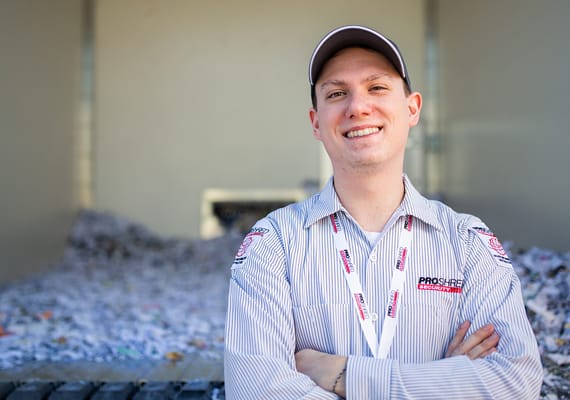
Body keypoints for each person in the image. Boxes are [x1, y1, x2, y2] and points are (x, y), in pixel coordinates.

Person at [224, 25, 543, 399]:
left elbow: (515, 384)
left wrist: (343, 374)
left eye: (377, 87)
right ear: (316, 123)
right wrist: (442, 381)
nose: (358, 107)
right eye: (337, 93)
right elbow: (255, 391)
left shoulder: (468, 243)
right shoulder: (272, 243)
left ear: (412, 109)